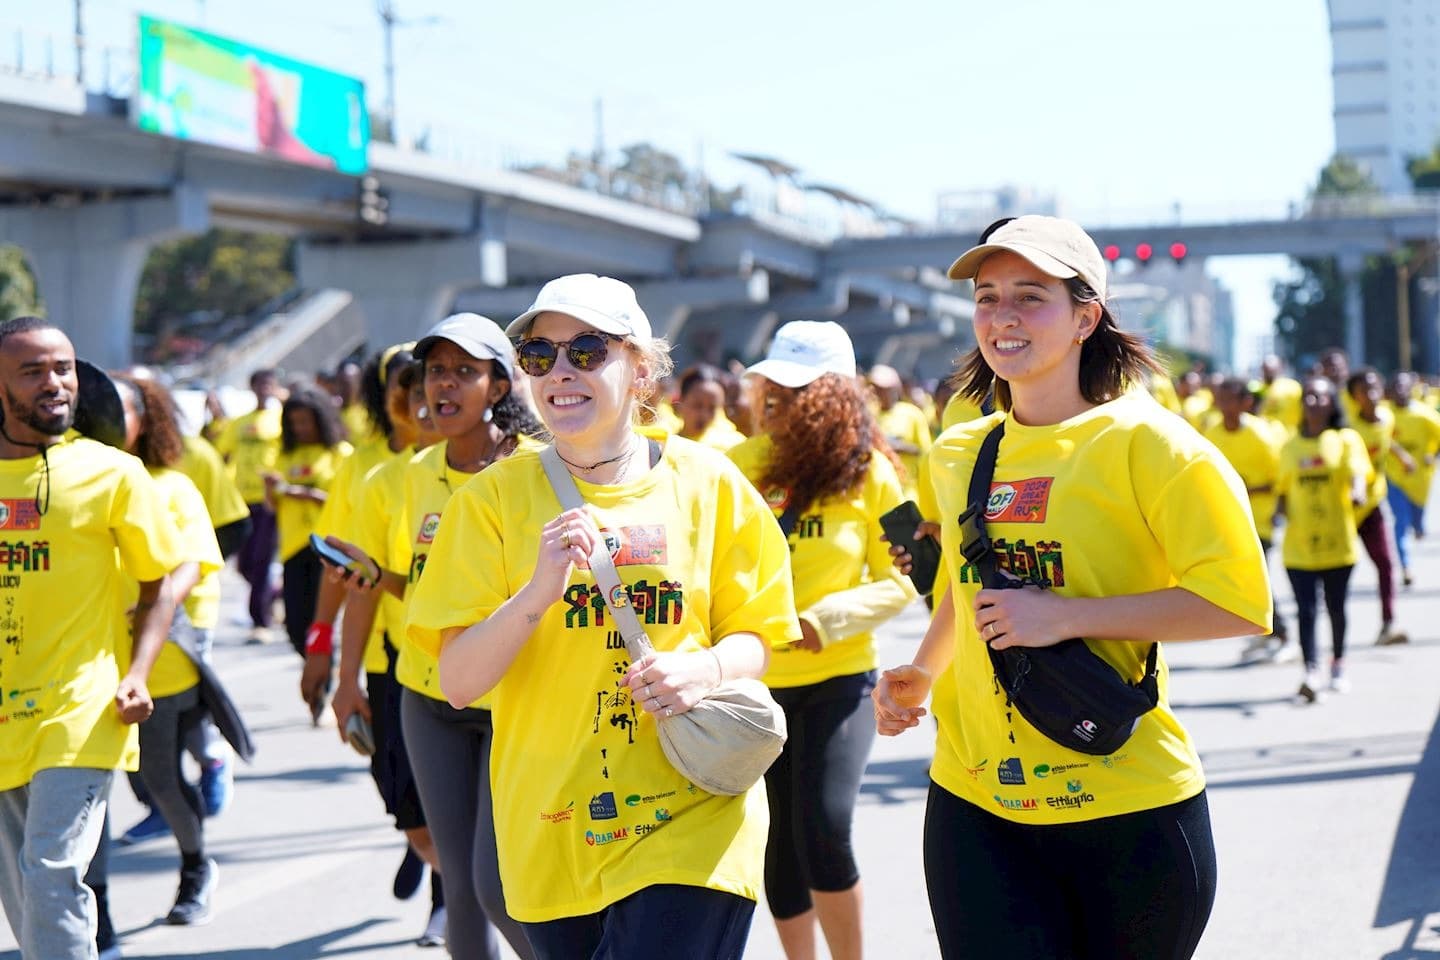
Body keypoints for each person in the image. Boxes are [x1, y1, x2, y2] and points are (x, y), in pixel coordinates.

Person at [872, 217, 1271, 960]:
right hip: (974, 799)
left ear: (1086, 316)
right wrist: (921, 673)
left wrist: (1065, 618)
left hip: (1128, 806)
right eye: (988, 298)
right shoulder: (959, 451)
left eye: (1031, 297)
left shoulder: (1156, 447)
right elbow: (966, 588)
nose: (1003, 317)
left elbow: (1238, 605)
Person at [407, 274, 800, 960]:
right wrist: (535, 594)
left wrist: (702, 668)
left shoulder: (708, 483)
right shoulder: (489, 503)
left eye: (586, 351)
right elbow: (459, 682)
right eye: (539, 356)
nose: (560, 372)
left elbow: (760, 637)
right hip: (555, 828)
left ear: (640, 366)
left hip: (693, 811)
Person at [330, 312, 543, 960]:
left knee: (497, 887)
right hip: (427, 694)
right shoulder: (398, 479)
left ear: (499, 388)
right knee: (460, 884)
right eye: (435, 372)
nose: (442, 387)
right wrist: (344, 680)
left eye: (464, 372)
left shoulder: (543, 472)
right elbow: (396, 586)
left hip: (520, 700)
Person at [731, 322, 916, 960]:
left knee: (824, 830)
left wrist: (827, 618)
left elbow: (908, 577)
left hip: (840, 684)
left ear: (833, 395)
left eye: (796, 386)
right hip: (753, 690)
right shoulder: (739, 465)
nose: (776, 396)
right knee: (778, 846)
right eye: (771, 383)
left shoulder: (877, 473)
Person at [0, 318, 183, 959]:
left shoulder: (112, 474)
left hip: (84, 707)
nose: (55, 383)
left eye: (64, 368)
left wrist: (137, 672)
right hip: (5, 713)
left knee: (52, 876)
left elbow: (158, 583)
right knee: (24, 904)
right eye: (33, 371)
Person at [325, 349, 451, 946]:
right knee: (411, 810)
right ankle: (444, 867)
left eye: (451, 378)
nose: (431, 396)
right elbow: (362, 581)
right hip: (395, 665)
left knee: (465, 822)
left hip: (478, 676)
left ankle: (451, 903)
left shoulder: (507, 469)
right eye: (418, 385)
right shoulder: (378, 475)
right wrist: (332, 664)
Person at [107, 374, 223, 924]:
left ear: (144, 420)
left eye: (119, 409)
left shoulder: (171, 487)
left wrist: (154, 605)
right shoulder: (72, 480)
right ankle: (95, 911)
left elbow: (192, 563)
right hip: (83, 665)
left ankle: (196, 866)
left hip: (157, 664)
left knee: (158, 777)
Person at [1275, 377, 1373, 699]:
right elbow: (1283, 491)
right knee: (1306, 611)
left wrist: (1358, 491)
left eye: (1321, 396)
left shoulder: (1345, 439)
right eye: (1309, 396)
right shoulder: (1290, 446)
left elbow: (1358, 473)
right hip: (1299, 548)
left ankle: (1339, 664)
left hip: (1338, 544)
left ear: (1332, 403)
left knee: (1336, 609)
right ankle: (1311, 670)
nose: (1314, 402)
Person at [1203, 377, 1290, 661]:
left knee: (1255, 578)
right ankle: (1268, 633)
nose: (1224, 405)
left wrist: (1247, 489)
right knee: (1243, 580)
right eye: (1220, 399)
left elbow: (1280, 480)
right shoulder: (1212, 435)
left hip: (1260, 521)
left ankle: (1283, 633)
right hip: (1226, 521)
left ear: (1246, 403)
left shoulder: (1262, 436)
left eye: (1230, 399)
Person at [263, 385, 350, 666]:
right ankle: (320, 672)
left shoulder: (340, 454)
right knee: (295, 627)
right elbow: (272, 505)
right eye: (294, 422)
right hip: (293, 548)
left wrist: (304, 494)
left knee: (321, 622)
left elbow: (346, 504)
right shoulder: (285, 456)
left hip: (327, 548)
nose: (299, 428)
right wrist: (270, 490)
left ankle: (326, 678)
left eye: (305, 421)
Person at [213, 369, 283, 644]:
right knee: (243, 563)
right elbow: (222, 453)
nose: (265, 389)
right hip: (241, 499)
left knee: (263, 559)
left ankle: (260, 622)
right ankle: (273, 593)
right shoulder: (239, 423)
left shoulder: (280, 421)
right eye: (260, 384)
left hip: (269, 500)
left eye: (269, 384)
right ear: (252, 388)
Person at [1343, 368, 1407, 646]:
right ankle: (1336, 635)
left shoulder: (1388, 418)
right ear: (1354, 397)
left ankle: (1388, 623)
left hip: (1372, 505)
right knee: (1339, 571)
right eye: (1362, 390)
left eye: (1374, 387)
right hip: (1343, 509)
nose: (1370, 394)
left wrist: (1402, 455)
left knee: (1385, 563)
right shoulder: (1347, 430)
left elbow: (1385, 440)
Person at [1384, 371, 1440, 590]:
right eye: (1395, 386)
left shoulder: (1424, 415)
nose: (1400, 390)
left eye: (1404, 386)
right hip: (1394, 479)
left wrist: (1433, 455)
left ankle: (1418, 524)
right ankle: (1405, 567)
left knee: (1416, 522)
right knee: (1400, 521)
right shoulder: (1384, 415)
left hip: (1421, 480)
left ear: (1411, 389)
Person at [868, 363, 932, 502]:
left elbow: (925, 452)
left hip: (907, 491)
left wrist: (898, 446)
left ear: (895, 389)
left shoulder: (911, 414)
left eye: (882, 389)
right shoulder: (870, 415)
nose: (877, 392)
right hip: (879, 491)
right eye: (875, 388)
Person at [674, 364, 745, 450]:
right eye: (697, 405)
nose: (704, 415)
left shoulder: (732, 447)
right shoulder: (662, 442)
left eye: (712, 408)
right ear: (681, 401)